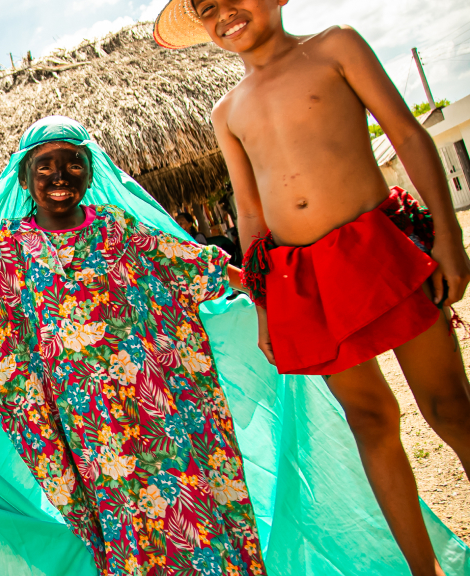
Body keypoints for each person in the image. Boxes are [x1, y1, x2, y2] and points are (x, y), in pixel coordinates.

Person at [0, 116, 265, 576]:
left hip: (158, 402)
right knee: (124, 513)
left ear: (90, 171)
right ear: (24, 177)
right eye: (45, 167)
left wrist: (260, 287)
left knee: (188, 493)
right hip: (89, 420)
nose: (60, 177)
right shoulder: (7, 249)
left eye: (72, 164)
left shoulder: (117, 229)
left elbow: (191, 263)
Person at [153, 2, 470, 575]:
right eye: (207, 9)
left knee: (450, 409)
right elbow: (249, 214)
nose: (224, 13)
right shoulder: (227, 111)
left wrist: (447, 236)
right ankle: (427, 572)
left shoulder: (334, 47)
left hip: (378, 248)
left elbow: (406, 133)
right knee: (369, 420)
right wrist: (265, 306)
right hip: (302, 280)